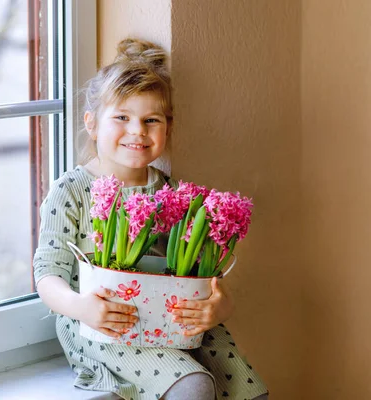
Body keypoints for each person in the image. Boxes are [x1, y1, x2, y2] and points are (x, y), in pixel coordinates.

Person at [33, 37, 268, 400]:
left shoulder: (171, 192)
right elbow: (48, 274)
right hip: (107, 323)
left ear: (168, 127)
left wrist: (219, 307)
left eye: (151, 120)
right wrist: (82, 307)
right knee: (195, 386)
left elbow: (199, 276)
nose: (137, 131)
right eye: (122, 118)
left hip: (170, 321)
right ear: (92, 124)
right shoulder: (72, 190)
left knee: (241, 381)